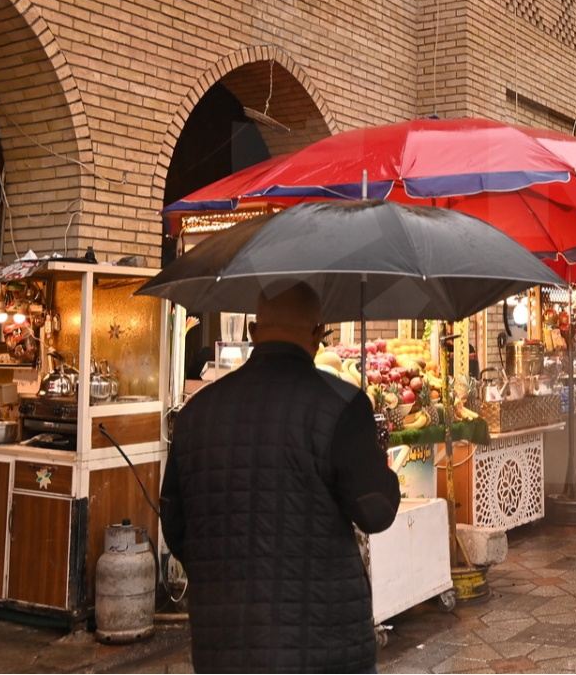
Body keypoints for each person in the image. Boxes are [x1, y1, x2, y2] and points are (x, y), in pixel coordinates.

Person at [161, 284, 401, 673]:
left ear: (253, 332)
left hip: (225, 643)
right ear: (317, 334)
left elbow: (174, 523)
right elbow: (376, 511)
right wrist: (380, 463)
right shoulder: (342, 405)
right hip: (324, 644)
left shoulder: (197, 413)